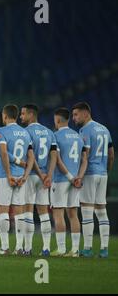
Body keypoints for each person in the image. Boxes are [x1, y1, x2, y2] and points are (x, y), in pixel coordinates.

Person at [72, 102, 114, 258]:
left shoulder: (85, 130)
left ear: (85, 113)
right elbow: (111, 154)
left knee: (87, 211)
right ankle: (104, 249)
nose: (74, 118)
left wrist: (79, 176)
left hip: (89, 173)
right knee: (102, 212)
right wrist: (106, 171)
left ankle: (88, 248)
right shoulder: (104, 129)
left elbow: (85, 155)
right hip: (102, 174)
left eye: (76, 114)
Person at [0, 104, 35, 255]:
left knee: (2, 210)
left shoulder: (2, 131)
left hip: (5, 176)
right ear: (16, 116)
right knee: (19, 212)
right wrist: (25, 176)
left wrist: (9, 174)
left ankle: (4, 248)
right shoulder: (25, 133)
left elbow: (3, 153)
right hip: (21, 176)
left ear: (4, 116)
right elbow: (31, 157)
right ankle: (19, 247)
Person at [19, 104, 58, 256]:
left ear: (31, 114)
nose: (21, 117)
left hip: (30, 176)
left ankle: (27, 248)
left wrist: (41, 175)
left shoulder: (26, 132)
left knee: (28, 210)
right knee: (43, 213)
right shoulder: (49, 132)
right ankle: (46, 248)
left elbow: (31, 157)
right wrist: (48, 174)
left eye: (23, 114)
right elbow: (54, 156)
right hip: (45, 177)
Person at [51, 108, 87, 257]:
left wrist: (70, 177)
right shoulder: (78, 137)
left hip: (61, 180)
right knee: (73, 214)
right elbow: (85, 160)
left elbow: (57, 160)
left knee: (58, 213)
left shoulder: (55, 136)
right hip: (76, 180)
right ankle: (75, 250)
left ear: (58, 120)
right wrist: (79, 177)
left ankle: (61, 249)